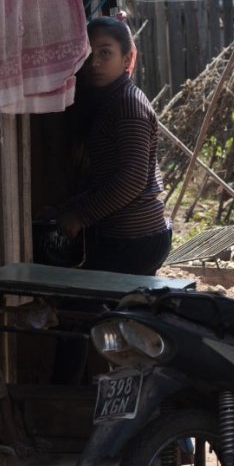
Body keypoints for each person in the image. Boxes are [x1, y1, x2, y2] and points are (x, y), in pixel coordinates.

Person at [57, 15, 172, 275]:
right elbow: (107, 178)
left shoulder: (128, 104)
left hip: (135, 239)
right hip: (126, 236)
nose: (94, 63)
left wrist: (81, 216)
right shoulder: (110, 100)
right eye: (88, 54)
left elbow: (132, 180)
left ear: (127, 59)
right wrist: (70, 207)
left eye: (105, 53)